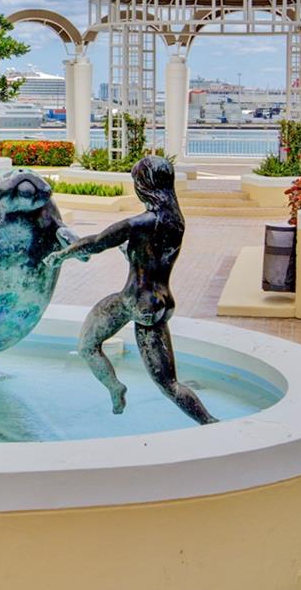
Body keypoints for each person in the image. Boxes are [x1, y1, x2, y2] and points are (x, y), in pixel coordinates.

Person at [47, 155, 216, 423]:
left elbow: (95, 242)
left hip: (134, 300)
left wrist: (61, 255)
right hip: (161, 303)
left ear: (144, 185)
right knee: (169, 384)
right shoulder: (176, 221)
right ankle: (209, 423)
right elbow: (152, 257)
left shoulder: (138, 224)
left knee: (87, 346)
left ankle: (115, 387)